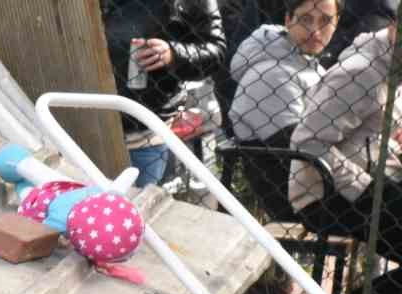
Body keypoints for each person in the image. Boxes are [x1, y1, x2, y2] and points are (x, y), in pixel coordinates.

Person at [290, 15, 402, 294]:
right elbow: (307, 142)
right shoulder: (361, 73)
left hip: (369, 184)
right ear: (394, 27)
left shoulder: (391, 70)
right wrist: (366, 185)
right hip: (326, 193)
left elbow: (369, 141)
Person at [102, 0, 227, 186]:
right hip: (86, 120)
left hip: (142, 133)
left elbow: (216, 51)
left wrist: (173, 54)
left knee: (137, 205)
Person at [229, 0, 338, 144]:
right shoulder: (271, 76)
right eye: (305, 19)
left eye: (325, 20)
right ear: (288, 20)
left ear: (336, 24)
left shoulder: (308, 63)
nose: (314, 31)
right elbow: (303, 150)